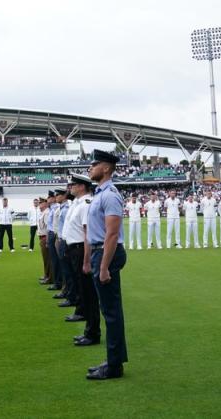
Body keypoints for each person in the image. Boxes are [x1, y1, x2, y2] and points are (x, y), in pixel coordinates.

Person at [84, 149, 127, 380]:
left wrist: (103, 267)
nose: (90, 168)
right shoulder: (101, 193)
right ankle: (113, 359)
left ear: (107, 168)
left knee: (111, 313)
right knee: (108, 311)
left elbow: (112, 234)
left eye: (95, 164)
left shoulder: (110, 195)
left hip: (107, 254)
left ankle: (114, 366)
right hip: (100, 253)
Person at [65, 173, 99, 347]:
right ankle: (89, 330)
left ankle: (93, 333)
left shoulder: (85, 204)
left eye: (74, 184)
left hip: (81, 250)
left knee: (89, 294)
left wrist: (86, 260)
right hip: (74, 250)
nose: (70, 187)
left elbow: (87, 234)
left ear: (82, 186)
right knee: (84, 292)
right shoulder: (78, 203)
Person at [37, 198, 51, 283]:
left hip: (45, 237)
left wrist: (47, 240)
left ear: (46, 203)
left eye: (41, 202)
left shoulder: (46, 213)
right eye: (39, 202)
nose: (39, 204)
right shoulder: (43, 213)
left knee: (48, 259)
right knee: (45, 259)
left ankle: (49, 277)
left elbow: (48, 228)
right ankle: (46, 275)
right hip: (42, 237)